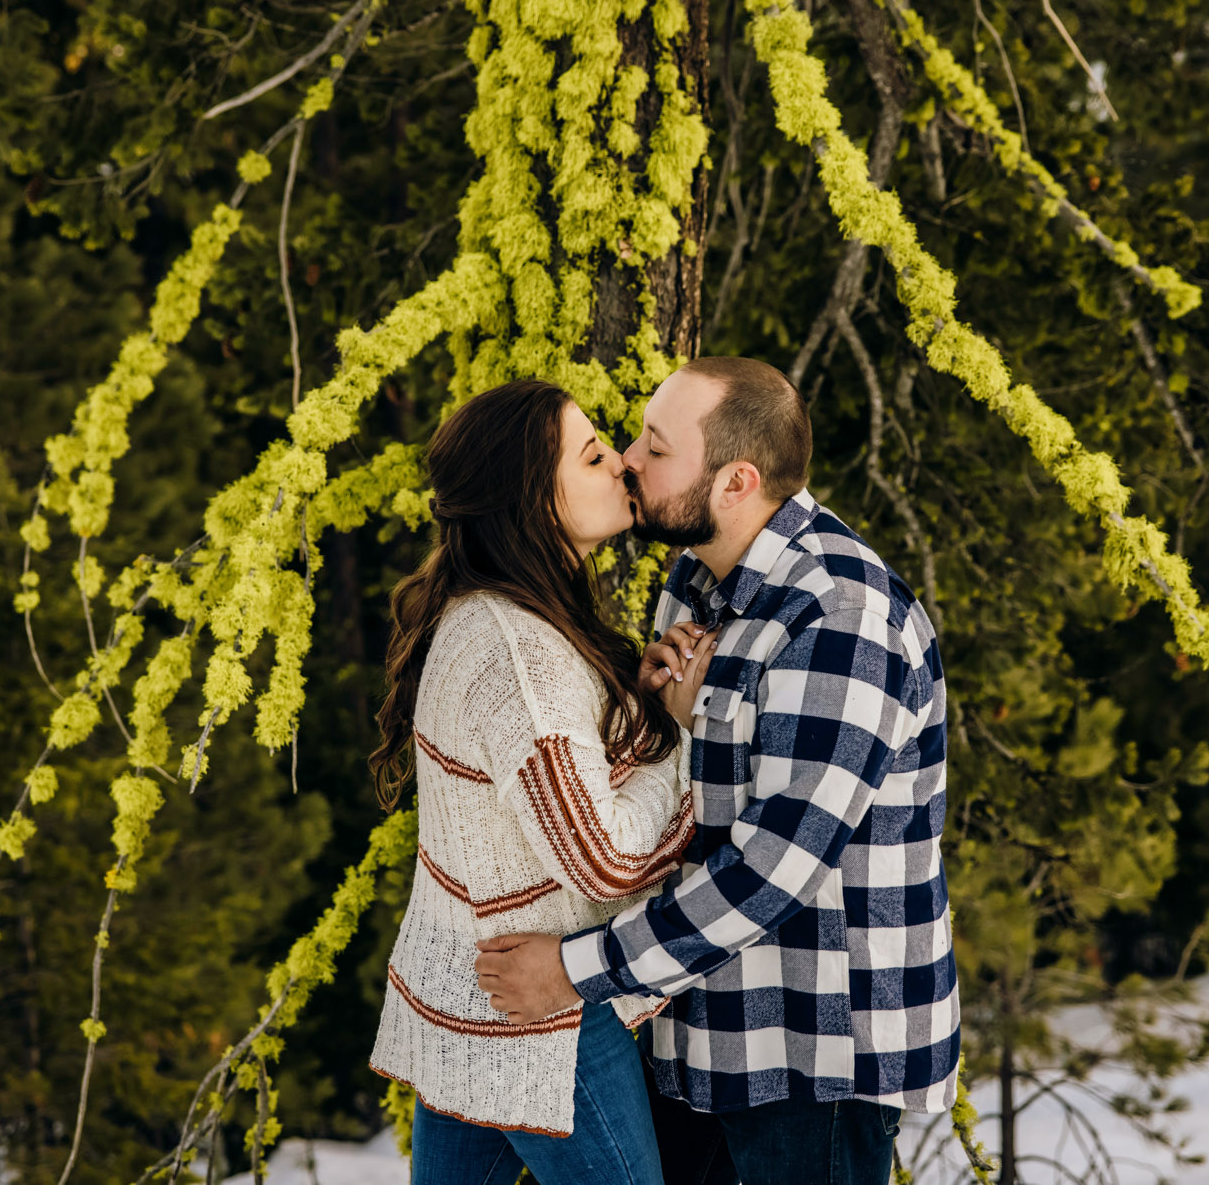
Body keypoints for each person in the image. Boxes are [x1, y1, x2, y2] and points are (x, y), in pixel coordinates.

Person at [474, 357, 961, 1185]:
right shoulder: (699, 578)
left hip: (812, 1055)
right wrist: (650, 714)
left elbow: (774, 870)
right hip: (693, 1031)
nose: (628, 458)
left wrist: (571, 972)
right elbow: (688, 805)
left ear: (736, 481)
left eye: (656, 448)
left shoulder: (840, 618)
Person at [367, 377, 717, 1185]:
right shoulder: (519, 653)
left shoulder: (500, 613)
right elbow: (605, 861)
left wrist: (642, 705)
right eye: (593, 456)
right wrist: (690, 740)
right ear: (530, 497)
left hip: (471, 984)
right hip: (540, 1009)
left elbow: (538, 784)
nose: (623, 468)